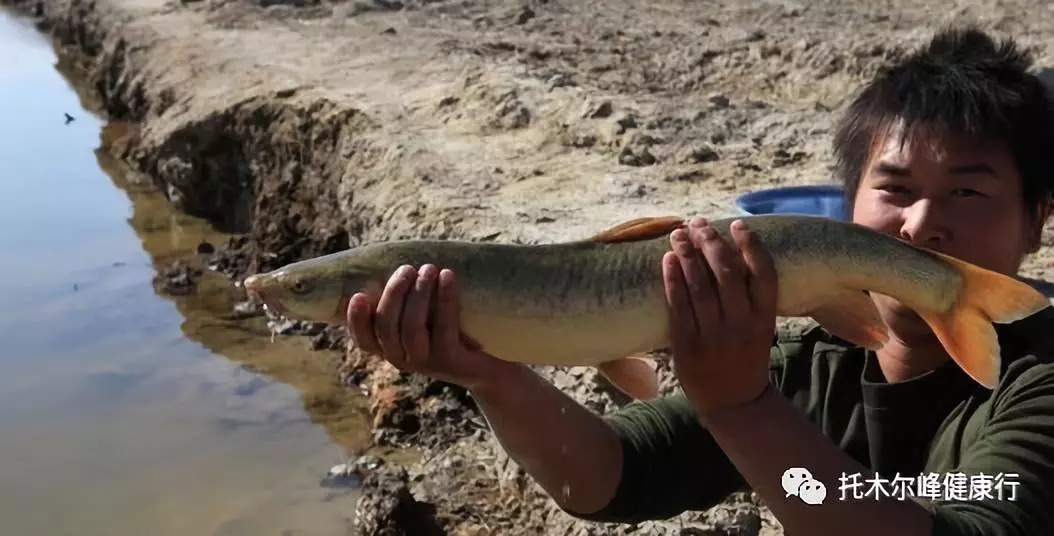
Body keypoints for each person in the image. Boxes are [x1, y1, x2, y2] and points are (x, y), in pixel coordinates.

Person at [344, 26, 1054, 536]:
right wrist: (490, 375)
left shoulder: (1040, 379)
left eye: (968, 193)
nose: (921, 224)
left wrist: (742, 407)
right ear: (847, 207)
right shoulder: (812, 366)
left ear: (1035, 223)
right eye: (895, 189)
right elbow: (605, 477)